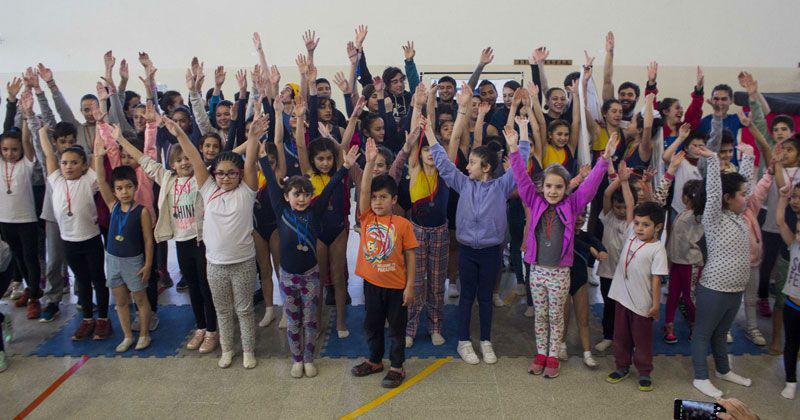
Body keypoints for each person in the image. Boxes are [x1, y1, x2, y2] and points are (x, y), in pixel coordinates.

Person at [430, 84, 529, 365]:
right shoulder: (463, 184)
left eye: (472, 163)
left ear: (486, 167)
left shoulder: (500, 186)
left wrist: (521, 138)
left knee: (485, 298)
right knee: (465, 298)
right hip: (467, 251)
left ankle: (485, 340)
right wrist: (429, 135)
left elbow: (522, 166)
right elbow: (444, 165)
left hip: (490, 251)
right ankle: (464, 341)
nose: (467, 166)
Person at [510, 121, 617, 378]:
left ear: (565, 188)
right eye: (549, 186)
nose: (553, 191)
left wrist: (605, 160)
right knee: (540, 316)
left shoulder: (572, 204)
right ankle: (541, 354)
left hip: (559, 273)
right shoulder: (534, 201)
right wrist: (514, 149)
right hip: (536, 271)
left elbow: (590, 187)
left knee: (557, 317)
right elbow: (522, 179)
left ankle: (553, 356)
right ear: (542, 187)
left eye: (558, 187)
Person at [167, 108, 264, 369]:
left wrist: (253, 137)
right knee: (222, 311)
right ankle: (228, 350)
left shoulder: (246, 191)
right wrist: (178, 133)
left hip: (243, 262)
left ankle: (248, 351)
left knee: (244, 310)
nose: (226, 177)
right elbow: (196, 160)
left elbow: (252, 161)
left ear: (240, 174)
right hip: (215, 264)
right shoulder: (209, 189)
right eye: (220, 173)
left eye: (232, 173)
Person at [263, 134, 358, 378]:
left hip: (311, 276)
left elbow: (332, 186)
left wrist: (345, 166)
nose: (302, 199)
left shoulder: (314, 211)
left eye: (306, 194)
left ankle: (308, 357)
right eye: (297, 194)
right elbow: (272, 185)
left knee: (310, 320)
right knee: (294, 321)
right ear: (287, 197)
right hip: (288, 276)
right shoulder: (280, 210)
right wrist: (260, 151)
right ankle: (296, 359)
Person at [131, 135, 219, 354]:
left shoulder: (201, 177)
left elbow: (228, 154)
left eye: (188, 158)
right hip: (181, 242)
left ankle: (212, 330)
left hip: (200, 241)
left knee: (205, 286)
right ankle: (200, 327)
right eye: (179, 160)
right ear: (172, 164)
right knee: (192, 288)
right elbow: (144, 161)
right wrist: (119, 140)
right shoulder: (168, 179)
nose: (184, 163)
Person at [351, 138, 418, 389]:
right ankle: (375, 360)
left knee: (397, 330)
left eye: (383, 197)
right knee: (372, 325)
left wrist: (410, 286)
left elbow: (411, 255)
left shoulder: (402, 224)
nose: (377, 202)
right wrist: (368, 164)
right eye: (375, 198)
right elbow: (364, 189)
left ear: (394, 199)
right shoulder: (366, 217)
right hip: (372, 285)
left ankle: (397, 367)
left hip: (396, 287)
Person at [691, 144, 755, 398]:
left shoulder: (740, 218)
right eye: (741, 194)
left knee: (721, 334)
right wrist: (714, 161)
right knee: (703, 334)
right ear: (727, 198)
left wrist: (748, 156)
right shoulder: (714, 218)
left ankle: (723, 369)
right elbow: (715, 188)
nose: (746, 198)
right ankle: (700, 376)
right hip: (714, 288)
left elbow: (745, 183)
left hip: (735, 288)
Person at [39, 125, 111, 341]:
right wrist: (42, 131)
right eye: (65, 163)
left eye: (74, 163)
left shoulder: (89, 180)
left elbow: (97, 152)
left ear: (84, 165)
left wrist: (100, 124)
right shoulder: (56, 180)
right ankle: (88, 318)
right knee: (82, 280)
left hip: (90, 240)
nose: (68, 167)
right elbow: (48, 153)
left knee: (98, 279)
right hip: (69, 242)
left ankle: (104, 320)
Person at [92, 132, 152, 352]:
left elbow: (148, 240)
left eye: (128, 187)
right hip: (113, 259)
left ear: (135, 186)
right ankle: (127, 335)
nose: (124, 192)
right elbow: (100, 180)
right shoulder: (113, 206)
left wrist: (147, 264)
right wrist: (99, 157)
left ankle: (144, 333)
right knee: (120, 301)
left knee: (140, 299)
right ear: (114, 190)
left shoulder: (141, 212)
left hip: (134, 261)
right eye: (119, 188)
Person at [605, 202, 668, 392]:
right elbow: (631, 207)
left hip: (642, 304)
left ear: (657, 227)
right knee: (621, 337)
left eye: (645, 224)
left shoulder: (657, 249)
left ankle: (644, 371)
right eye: (637, 223)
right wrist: (624, 183)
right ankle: (621, 367)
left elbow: (656, 280)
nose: (639, 228)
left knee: (642, 340)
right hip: (621, 298)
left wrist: (656, 305)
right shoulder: (631, 236)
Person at [405, 116, 449, 348]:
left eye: (435, 150)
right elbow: (413, 142)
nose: (431, 153)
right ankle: (410, 327)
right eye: (426, 150)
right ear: (419, 154)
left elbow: (451, 142)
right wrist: (419, 108)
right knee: (416, 282)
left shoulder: (445, 173)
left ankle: (435, 326)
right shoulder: (414, 170)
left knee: (436, 282)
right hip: (417, 232)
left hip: (440, 232)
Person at [0, 128, 42, 319]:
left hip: (26, 220)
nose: (9, 153)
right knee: (17, 258)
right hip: (5, 221)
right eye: (5, 149)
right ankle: (30, 289)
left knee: (30, 258)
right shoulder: (1, 164)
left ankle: (34, 298)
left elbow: (26, 140)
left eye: (14, 149)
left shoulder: (26, 164)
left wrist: (26, 118)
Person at [595, 159, 636, 352]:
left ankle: (625, 338)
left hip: (625, 275)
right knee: (609, 308)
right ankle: (608, 336)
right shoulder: (608, 215)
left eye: (623, 208)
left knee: (625, 309)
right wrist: (619, 180)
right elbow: (606, 193)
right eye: (617, 207)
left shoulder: (631, 222)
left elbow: (629, 203)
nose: (620, 211)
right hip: (607, 273)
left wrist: (626, 183)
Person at [664, 180, 704, 344]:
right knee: (672, 294)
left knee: (690, 297)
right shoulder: (682, 213)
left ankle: (695, 326)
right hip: (677, 262)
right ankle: (669, 325)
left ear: (687, 197)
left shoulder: (698, 216)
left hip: (691, 263)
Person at [774, 184, 800, 400]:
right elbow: (781, 222)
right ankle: (790, 380)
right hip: (792, 305)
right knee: (790, 343)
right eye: (798, 231)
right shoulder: (794, 245)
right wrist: (783, 198)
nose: (798, 236)